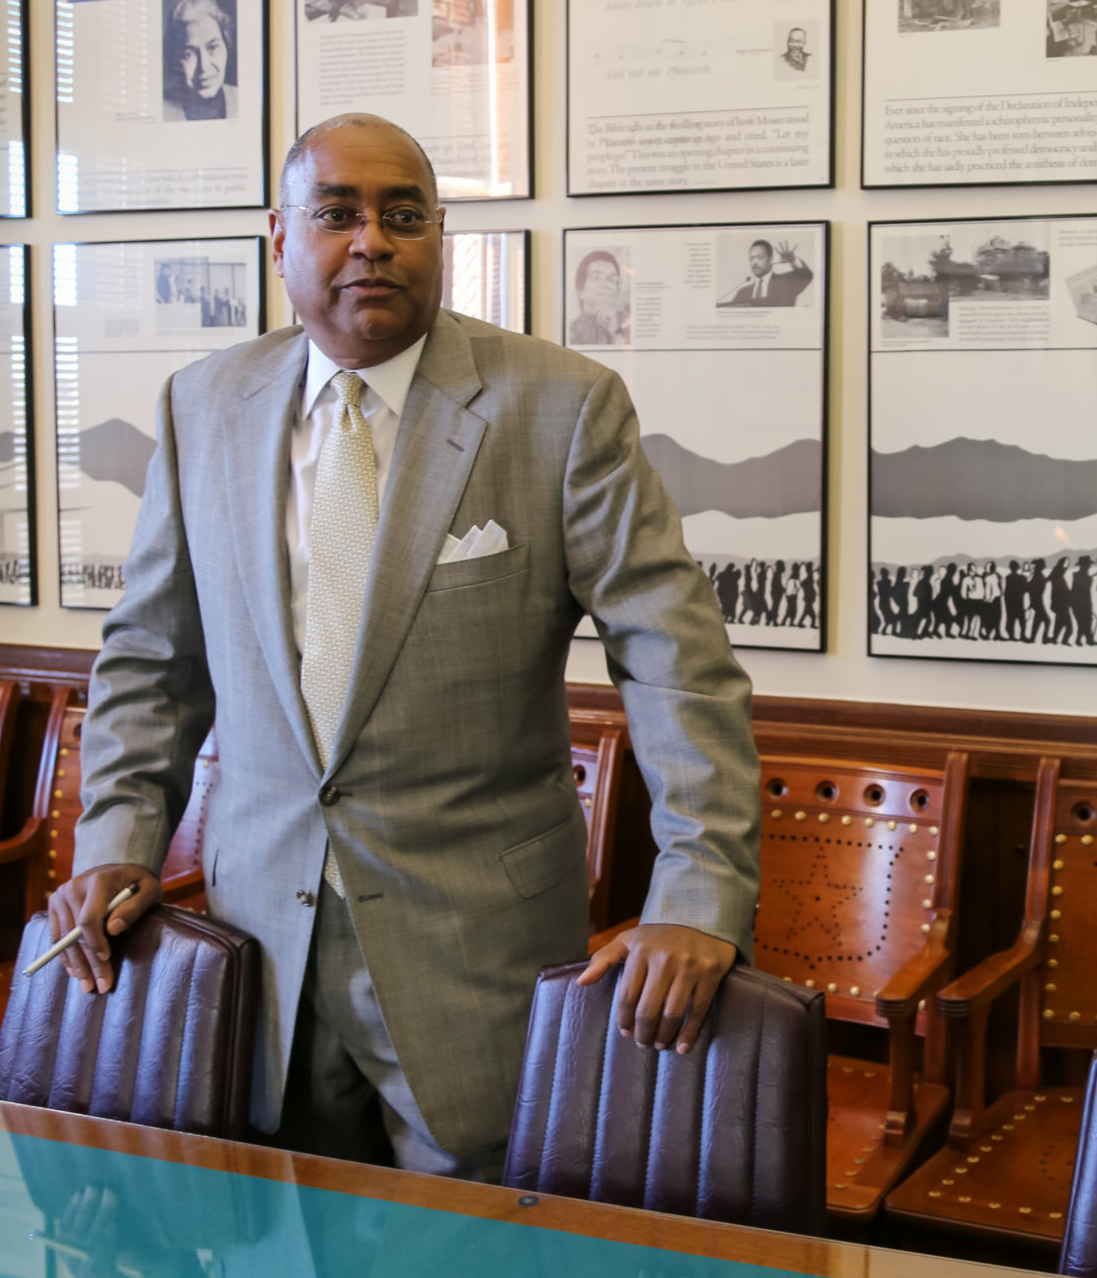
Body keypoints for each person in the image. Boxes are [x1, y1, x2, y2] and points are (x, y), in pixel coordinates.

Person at [45, 115, 759, 1183]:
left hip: (477, 955)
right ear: (279, 237)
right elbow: (152, 654)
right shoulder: (204, 406)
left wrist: (698, 891)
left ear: (440, 239)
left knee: (472, 1255)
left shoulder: (559, 408)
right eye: (336, 213)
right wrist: (116, 839)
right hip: (257, 950)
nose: (371, 240)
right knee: (278, 1248)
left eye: (402, 215)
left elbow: (675, 663)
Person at [161, 0, 237, 122]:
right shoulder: (161, 111)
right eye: (188, 54)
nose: (203, 66)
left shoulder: (244, 98)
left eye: (212, 48)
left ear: (226, 46)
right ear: (174, 60)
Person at [716, 240, 813, 307]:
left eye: (760, 257)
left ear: (771, 259)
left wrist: (793, 260)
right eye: (752, 258)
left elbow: (807, 276)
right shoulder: (742, 292)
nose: (755, 262)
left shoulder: (786, 282)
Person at [568, 249, 630, 345]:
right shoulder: (570, 334)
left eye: (612, 279)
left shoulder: (626, 330)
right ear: (580, 290)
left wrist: (614, 332)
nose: (606, 284)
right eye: (596, 277)